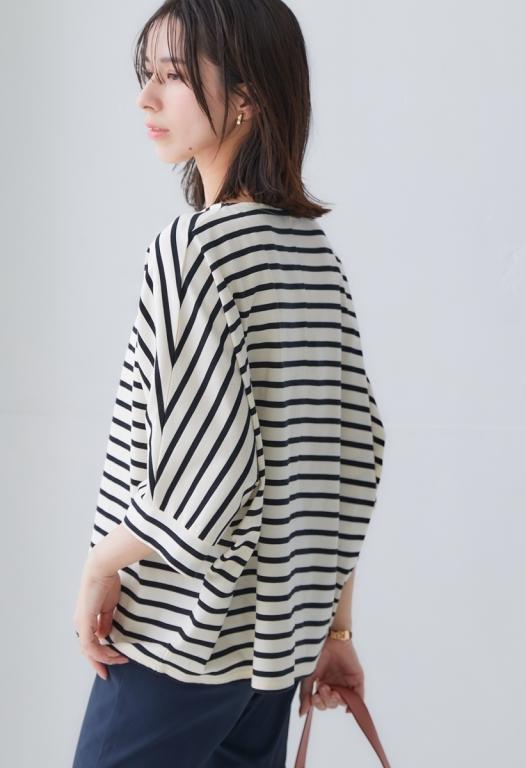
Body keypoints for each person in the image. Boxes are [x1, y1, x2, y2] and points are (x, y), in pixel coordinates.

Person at [71, 1, 386, 765]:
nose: (146, 98)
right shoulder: (313, 257)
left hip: (177, 640)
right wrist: (334, 629)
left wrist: (100, 563)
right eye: (146, 74)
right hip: (271, 661)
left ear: (246, 95)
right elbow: (350, 460)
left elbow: (201, 486)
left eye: (173, 76)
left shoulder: (195, 252)